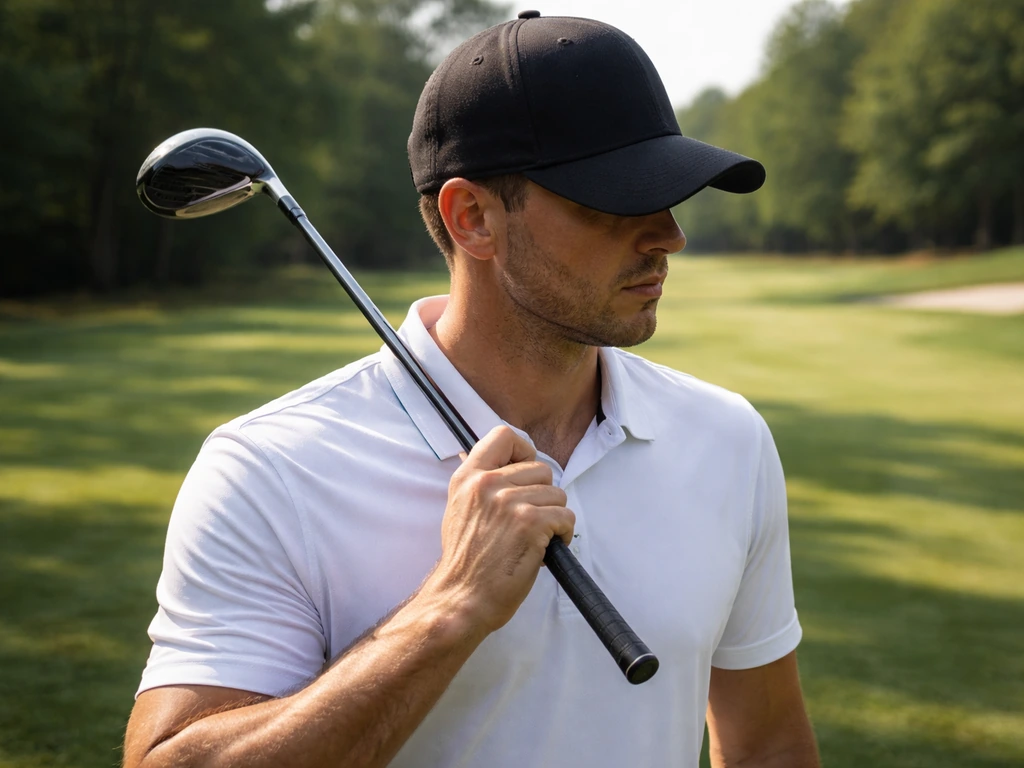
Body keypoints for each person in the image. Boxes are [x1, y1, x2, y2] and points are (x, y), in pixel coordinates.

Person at [123, 12, 819, 768]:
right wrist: (449, 608)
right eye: (615, 199)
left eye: (672, 193)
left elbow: (767, 745)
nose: (669, 236)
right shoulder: (269, 468)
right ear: (472, 219)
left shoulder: (726, 437)